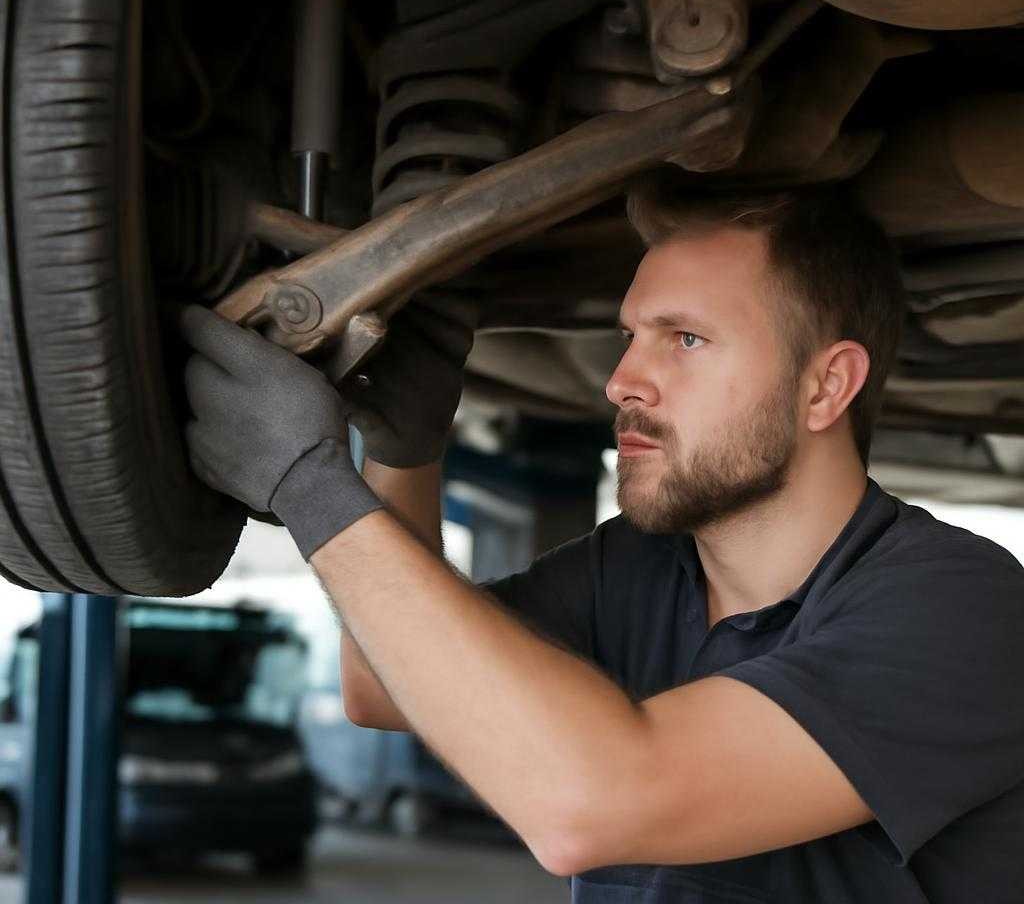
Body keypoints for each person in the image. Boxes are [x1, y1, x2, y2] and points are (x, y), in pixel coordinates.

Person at [180, 176, 1024, 903]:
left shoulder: (966, 611)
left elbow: (587, 808)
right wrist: (406, 450)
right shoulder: (641, 568)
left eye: (686, 339)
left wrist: (313, 489)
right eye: (629, 337)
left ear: (827, 386)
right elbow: (385, 687)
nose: (622, 382)